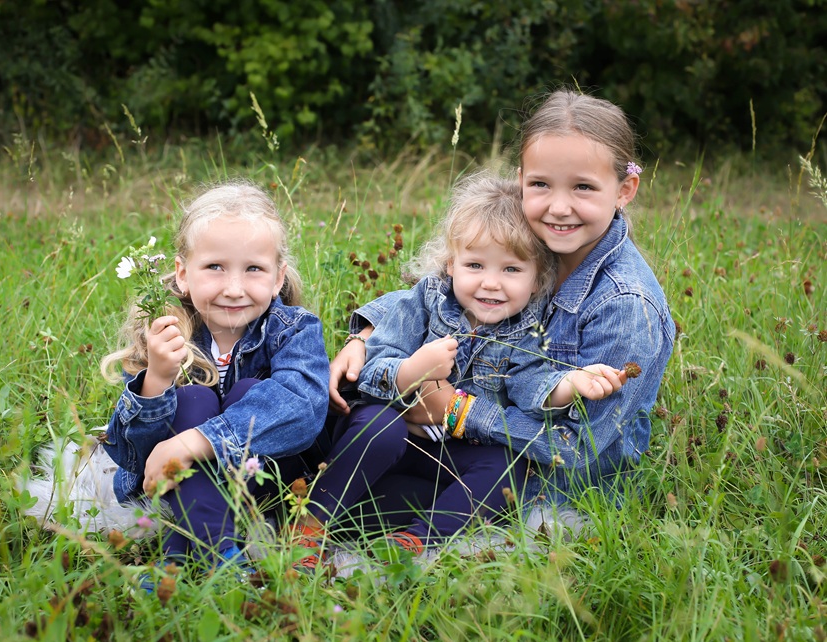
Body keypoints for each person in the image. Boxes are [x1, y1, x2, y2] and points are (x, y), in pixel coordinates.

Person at [329, 89, 676, 539]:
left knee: (384, 498)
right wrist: (364, 335)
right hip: (460, 454)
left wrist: (455, 410)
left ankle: (406, 547)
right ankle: (314, 519)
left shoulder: (625, 306)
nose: (559, 206)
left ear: (625, 189)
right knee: (345, 431)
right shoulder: (531, 242)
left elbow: (577, 446)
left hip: (543, 490)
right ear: (521, 181)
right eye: (541, 185)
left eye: (584, 187)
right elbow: (440, 291)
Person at [294, 174, 626, 564]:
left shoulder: (528, 330)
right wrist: (413, 370)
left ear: (538, 280)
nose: (491, 283)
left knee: (506, 468)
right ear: (451, 264)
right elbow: (372, 369)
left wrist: (570, 384)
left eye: (511, 270)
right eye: (475, 264)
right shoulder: (426, 300)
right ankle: (310, 525)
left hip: (452, 453)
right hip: (392, 431)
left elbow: (531, 385)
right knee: (380, 429)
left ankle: (414, 542)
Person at [99, 181, 330, 583]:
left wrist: (193, 442)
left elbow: (303, 407)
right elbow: (133, 454)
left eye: (253, 269)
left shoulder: (294, 330)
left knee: (249, 395)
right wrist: (156, 377)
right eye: (215, 267)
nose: (234, 288)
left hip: (265, 483)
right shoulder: (164, 330)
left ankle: (176, 556)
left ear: (278, 278)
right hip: (166, 483)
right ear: (183, 273)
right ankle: (222, 554)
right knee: (192, 400)